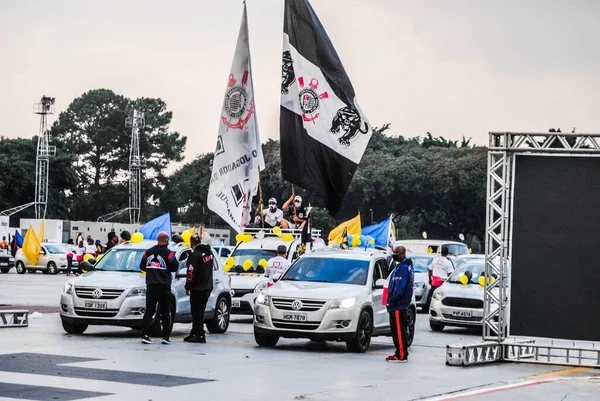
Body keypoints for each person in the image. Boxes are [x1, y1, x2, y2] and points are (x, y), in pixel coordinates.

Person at [139, 231, 179, 345]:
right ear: (166, 240)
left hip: (151, 286)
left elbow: (142, 266)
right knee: (165, 312)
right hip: (164, 286)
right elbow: (175, 267)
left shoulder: (148, 252)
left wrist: (152, 270)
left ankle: (145, 335)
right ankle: (165, 337)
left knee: (149, 311)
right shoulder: (169, 253)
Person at [385, 245, 414, 363]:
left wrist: (391, 300)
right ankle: (399, 353)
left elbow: (399, 287)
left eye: (396, 254)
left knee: (398, 330)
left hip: (398, 305)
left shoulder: (403, 268)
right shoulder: (403, 267)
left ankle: (401, 355)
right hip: (399, 304)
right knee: (397, 330)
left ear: (402, 254)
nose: (394, 256)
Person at [184, 234, 214, 343]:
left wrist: (188, 287)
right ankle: (195, 331)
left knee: (197, 312)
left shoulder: (194, 256)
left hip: (198, 288)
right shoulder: (209, 253)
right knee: (199, 311)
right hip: (207, 286)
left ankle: (199, 334)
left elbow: (191, 272)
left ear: (191, 243)